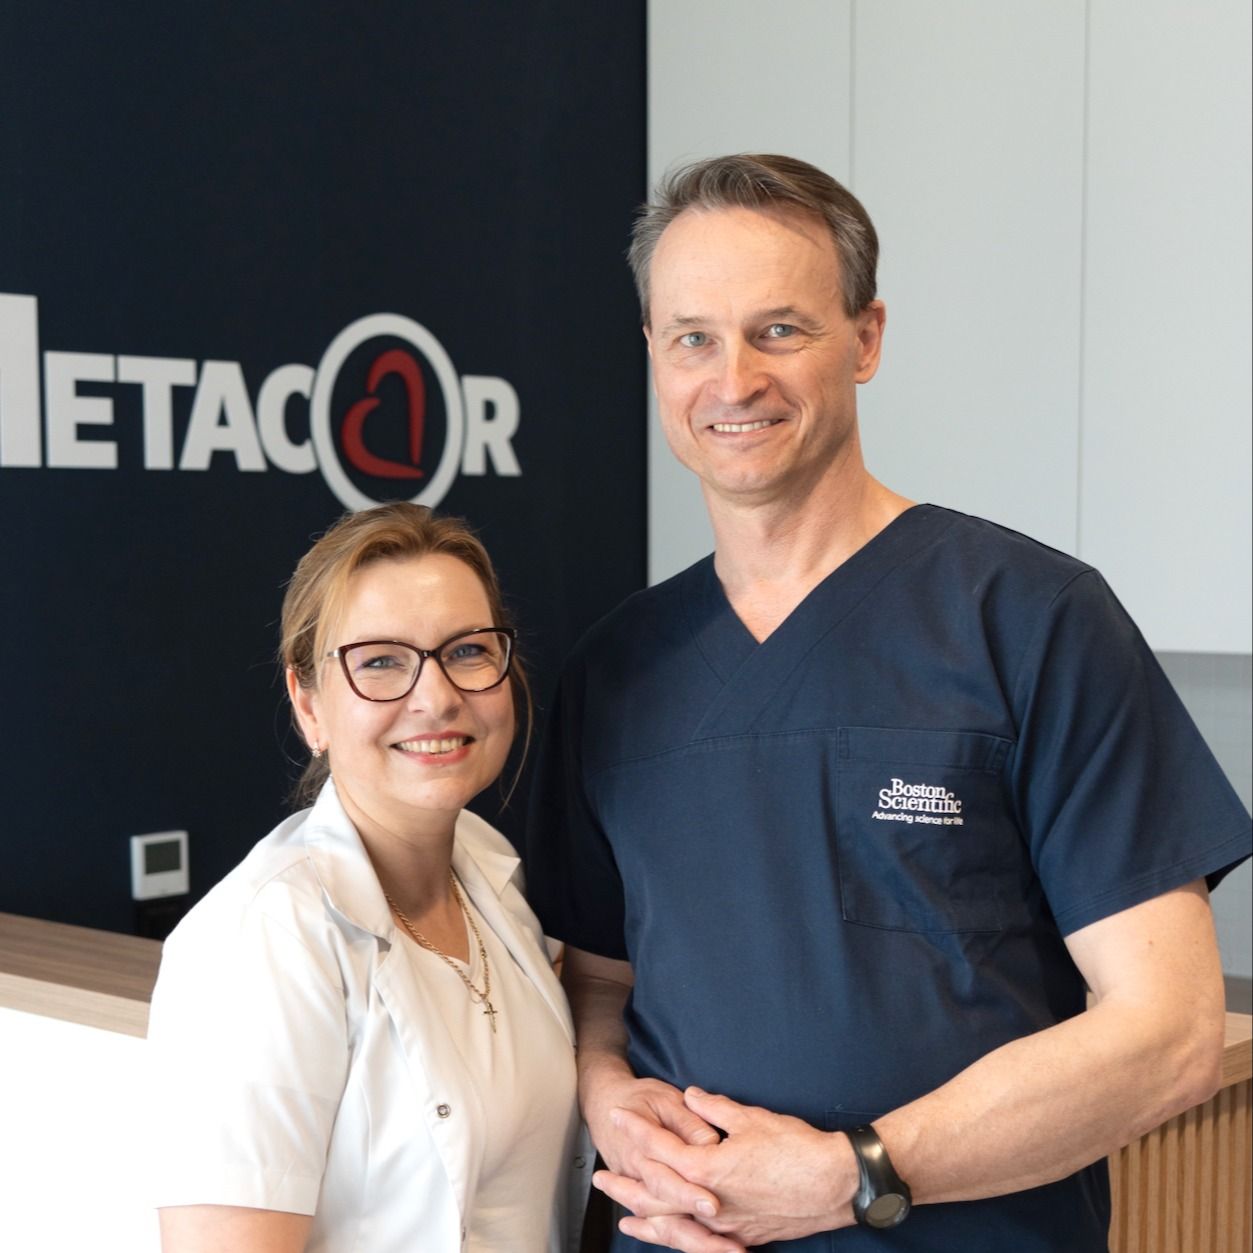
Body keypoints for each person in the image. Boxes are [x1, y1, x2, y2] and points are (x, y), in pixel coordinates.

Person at [525, 154, 1253, 1252]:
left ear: (864, 339)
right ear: (653, 356)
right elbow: (597, 981)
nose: (733, 379)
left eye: (778, 330)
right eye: (693, 339)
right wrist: (601, 1088)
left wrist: (850, 1173)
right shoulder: (616, 669)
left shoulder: (1028, 619)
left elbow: (1171, 1030)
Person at [149, 502, 590, 1253]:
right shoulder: (260, 941)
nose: (436, 696)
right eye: (381, 661)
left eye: (468, 651)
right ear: (308, 704)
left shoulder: (493, 878)